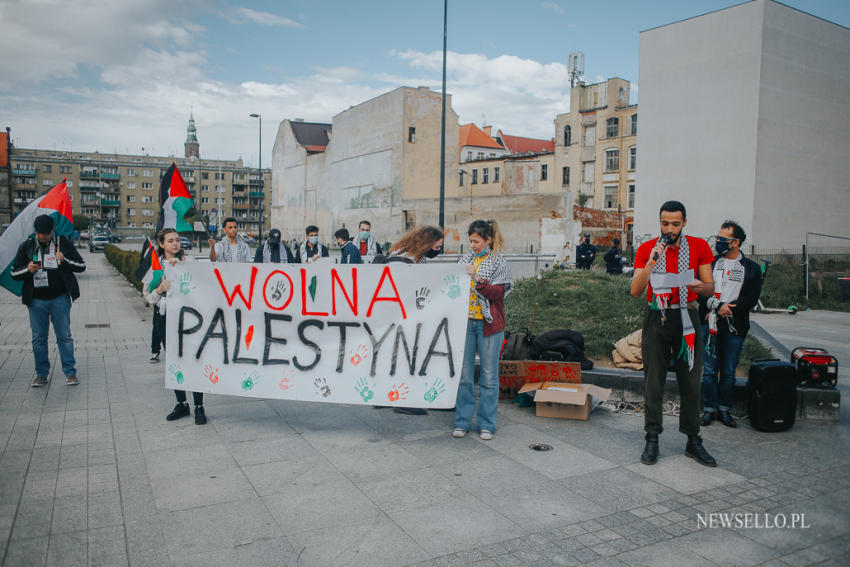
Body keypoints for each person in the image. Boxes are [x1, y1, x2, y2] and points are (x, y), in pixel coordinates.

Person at [631, 201, 716, 467]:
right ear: (660, 223)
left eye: (675, 224)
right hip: (658, 313)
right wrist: (652, 263)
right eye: (665, 223)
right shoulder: (648, 249)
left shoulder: (699, 247)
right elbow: (635, 290)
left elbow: (710, 288)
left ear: (684, 223)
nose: (670, 229)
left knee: (691, 380)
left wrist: (698, 286)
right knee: (653, 379)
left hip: (687, 314)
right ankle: (652, 437)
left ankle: (693, 439)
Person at [698, 221, 763, 428]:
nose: (718, 242)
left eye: (723, 239)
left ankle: (725, 409)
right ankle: (709, 409)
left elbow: (751, 298)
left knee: (728, 370)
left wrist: (730, 309)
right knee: (709, 370)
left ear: (735, 242)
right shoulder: (710, 264)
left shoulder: (751, 269)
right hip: (710, 322)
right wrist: (716, 307)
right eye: (718, 237)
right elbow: (699, 291)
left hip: (735, 326)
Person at [453, 220, 512, 441]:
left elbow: (497, 294)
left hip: (489, 325)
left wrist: (477, 279)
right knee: (465, 376)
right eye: (470, 241)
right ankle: (462, 421)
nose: (473, 245)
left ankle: (487, 424)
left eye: (476, 241)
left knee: (488, 376)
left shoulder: (499, 263)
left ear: (488, 240)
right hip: (466, 323)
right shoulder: (464, 260)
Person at [11, 214, 86, 387]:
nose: (42, 237)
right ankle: (41, 374)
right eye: (39, 233)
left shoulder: (62, 243)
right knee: (38, 338)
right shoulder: (28, 246)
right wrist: (27, 270)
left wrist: (64, 261)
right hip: (36, 301)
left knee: (64, 337)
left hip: (60, 298)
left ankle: (70, 373)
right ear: (35, 233)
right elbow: (14, 273)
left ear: (52, 231)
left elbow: (81, 266)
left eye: (45, 233)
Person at [145, 228, 207, 425]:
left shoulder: (189, 262)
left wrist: (180, 269)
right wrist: (159, 290)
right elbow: (147, 297)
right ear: (161, 244)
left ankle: (199, 405)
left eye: (177, 240)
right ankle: (181, 403)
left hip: (188, 318)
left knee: (193, 360)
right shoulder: (154, 266)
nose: (175, 243)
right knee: (174, 360)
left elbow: (203, 282)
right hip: (164, 317)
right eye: (170, 240)